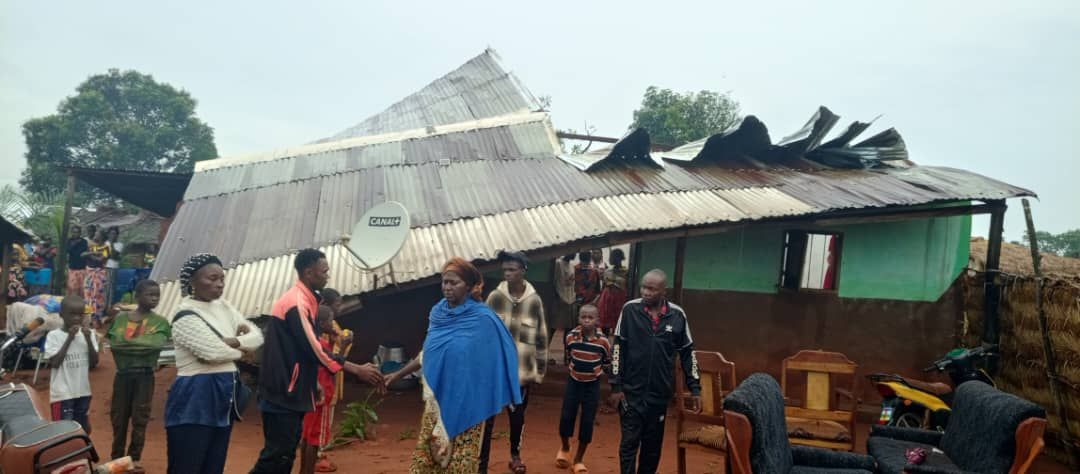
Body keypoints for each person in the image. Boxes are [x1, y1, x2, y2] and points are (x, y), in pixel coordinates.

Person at [251, 248, 384, 474]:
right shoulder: (297, 303)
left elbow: (299, 351)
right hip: (283, 391)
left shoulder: (307, 300)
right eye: (324, 271)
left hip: (292, 389)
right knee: (275, 457)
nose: (327, 276)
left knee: (284, 454)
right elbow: (313, 347)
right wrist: (355, 369)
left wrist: (312, 382)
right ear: (309, 272)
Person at [383, 257, 522, 473]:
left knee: (464, 460)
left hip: (471, 401)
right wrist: (398, 374)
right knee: (433, 451)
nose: (447, 287)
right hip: (440, 398)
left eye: (453, 283)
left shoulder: (483, 318)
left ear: (468, 286)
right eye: (444, 282)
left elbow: (498, 356)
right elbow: (428, 353)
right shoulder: (438, 314)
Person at [164, 253, 264, 474]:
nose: (219, 284)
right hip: (195, 395)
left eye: (222, 278)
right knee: (188, 464)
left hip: (223, 394)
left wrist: (235, 341)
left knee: (214, 464)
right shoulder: (184, 315)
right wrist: (243, 352)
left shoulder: (225, 307)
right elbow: (212, 353)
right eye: (212, 278)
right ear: (192, 281)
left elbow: (257, 336)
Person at [609, 269, 702, 474]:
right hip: (631, 393)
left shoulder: (677, 315)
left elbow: (688, 353)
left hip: (659, 396)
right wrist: (616, 385)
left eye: (652, 289)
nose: (646, 292)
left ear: (663, 291)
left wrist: (695, 388)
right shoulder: (630, 310)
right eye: (644, 287)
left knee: (652, 449)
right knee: (628, 445)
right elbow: (617, 349)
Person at [481, 250, 548, 474]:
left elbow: (541, 336)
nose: (508, 274)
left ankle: (515, 456)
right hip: (495, 371)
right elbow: (484, 334)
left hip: (521, 372)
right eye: (505, 270)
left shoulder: (534, 300)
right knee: (487, 419)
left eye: (512, 269)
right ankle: (482, 462)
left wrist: (539, 371)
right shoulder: (494, 298)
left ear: (523, 271)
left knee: (517, 417)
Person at [105, 279, 170, 469]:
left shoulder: (161, 322)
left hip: (145, 376)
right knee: (119, 417)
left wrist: (128, 345)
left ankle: (133, 459)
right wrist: (143, 344)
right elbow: (115, 345)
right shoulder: (121, 319)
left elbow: (156, 344)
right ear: (137, 296)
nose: (154, 298)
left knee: (140, 417)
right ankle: (116, 459)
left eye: (157, 295)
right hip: (123, 375)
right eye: (150, 294)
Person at [556, 304, 611, 474]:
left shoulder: (603, 342)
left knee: (587, 421)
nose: (586, 321)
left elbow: (606, 363)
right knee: (566, 416)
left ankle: (579, 459)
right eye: (583, 317)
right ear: (578, 318)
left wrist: (596, 372)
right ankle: (565, 448)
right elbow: (569, 356)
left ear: (597, 321)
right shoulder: (571, 337)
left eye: (590, 318)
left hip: (591, 386)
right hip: (574, 382)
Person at [44, 295, 99, 432]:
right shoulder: (54, 336)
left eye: (80, 315)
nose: (76, 319)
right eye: (72, 315)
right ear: (61, 315)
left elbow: (94, 363)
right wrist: (69, 338)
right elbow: (55, 363)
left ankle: (80, 453)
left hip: (83, 391)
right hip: (62, 394)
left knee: (84, 430)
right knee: (63, 432)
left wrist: (88, 339)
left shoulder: (88, 334)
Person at [300, 306, 339, 474]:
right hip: (321, 397)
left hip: (310, 397)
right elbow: (333, 366)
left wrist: (332, 341)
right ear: (322, 323)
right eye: (330, 320)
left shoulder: (313, 341)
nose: (333, 323)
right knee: (315, 440)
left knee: (306, 436)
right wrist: (343, 345)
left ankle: (304, 470)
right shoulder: (319, 344)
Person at [596, 248, 630, 333]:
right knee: (605, 324)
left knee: (618, 323)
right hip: (606, 300)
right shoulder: (607, 271)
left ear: (621, 258)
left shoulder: (627, 272)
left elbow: (627, 286)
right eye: (613, 258)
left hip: (619, 300)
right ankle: (605, 343)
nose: (614, 260)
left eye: (616, 257)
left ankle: (616, 344)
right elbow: (603, 287)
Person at [82, 231, 109, 325]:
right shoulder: (91, 247)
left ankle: (96, 319)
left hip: (98, 274)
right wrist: (94, 253)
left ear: (102, 237)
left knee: (97, 296)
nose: (95, 236)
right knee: (88, 295)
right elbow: (82, 255)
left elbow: (101, 260)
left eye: (98, 234)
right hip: (89, 273)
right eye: (95, 234)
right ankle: (88, 318)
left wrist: (90, 254)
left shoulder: (106, 248)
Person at [551, 254, 577, 351]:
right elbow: (554, 281)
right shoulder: (558, 263)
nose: (574, 253)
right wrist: (558, 297)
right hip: (560, 299)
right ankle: (544, 351)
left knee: (569, 328)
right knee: (553, 327)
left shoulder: (572, 265)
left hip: (570, 299)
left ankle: (567, 353)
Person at [573, 251, 601, 321]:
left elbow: (598, 291)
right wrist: (594, 301)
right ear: (590, 258)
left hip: (579, 302)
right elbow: (598, 290)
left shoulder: (574, 269)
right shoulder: (594, 271)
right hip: (587, 302)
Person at [67, 225, 90, 296]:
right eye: (74, 232)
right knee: (72, 288)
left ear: (80, 233)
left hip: (82, 268)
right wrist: (74, 244)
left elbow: (82, 253)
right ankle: (71, 304)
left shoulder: (84, 241)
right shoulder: (69, 241)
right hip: (72, 268)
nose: (75, 234)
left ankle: (79, 305)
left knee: (81, 289)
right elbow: (68, 250)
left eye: (77, 232)